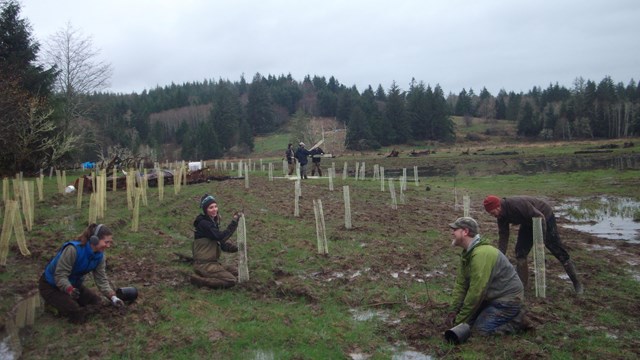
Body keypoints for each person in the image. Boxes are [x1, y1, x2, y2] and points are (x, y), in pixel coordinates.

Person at [483, 195, 583, 294]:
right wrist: (501, 255)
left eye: (493, 212)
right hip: (528, 222)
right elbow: (503, 236)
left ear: (498, 206)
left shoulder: (516, 205)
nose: (493, 215)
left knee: (556, 249)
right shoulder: (500, 216)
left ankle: (577, 283)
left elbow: (540, 217)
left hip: (544, 217)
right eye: (491, 214)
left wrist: (541, 243)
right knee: (520, 252)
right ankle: (522, 286)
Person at [445, 217, 526, 336]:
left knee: (480, 330)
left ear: (465, 232)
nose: (452, 233)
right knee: (467, 324)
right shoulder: (467, 253)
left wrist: (459, 321)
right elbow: (461, 285)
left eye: (455, 229)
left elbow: (476, 292)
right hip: (491, 297)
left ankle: (518, 321)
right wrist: (453, 311)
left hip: (507, 300)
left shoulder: (481, 254)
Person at [38, 223, 125, 324]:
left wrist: (113, 297)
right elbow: (60, 276)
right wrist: (69, 289)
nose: (108, 246)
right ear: (94, 239)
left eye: (110, 242)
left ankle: (67, 301)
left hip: (74, 287)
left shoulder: (100, 256)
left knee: (97, 302)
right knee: (76, 312)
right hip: (51, 286)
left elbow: (101, 279)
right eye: (106, 242)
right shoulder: (73, 250)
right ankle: (51, 306)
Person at [191, 193, 243, 289]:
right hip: (204, 264)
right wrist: (234, 222)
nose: (214, 209)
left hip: (213, 263)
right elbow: (220, 237)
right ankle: (201, 281)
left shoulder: (211, 223)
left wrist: (238, 248)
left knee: (237, 272)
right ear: (205, 210)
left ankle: (208, 275)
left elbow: (220, 243)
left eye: (215, 206)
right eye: (211, 207)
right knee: (231, 280)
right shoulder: (204, 224)